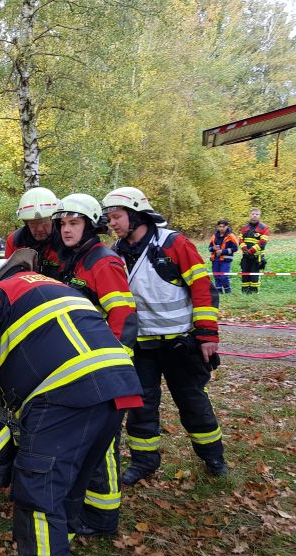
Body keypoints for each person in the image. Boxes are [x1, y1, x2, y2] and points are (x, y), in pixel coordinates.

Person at [0, 249, 142, 556]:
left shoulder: (0, 292)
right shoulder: (58, 287)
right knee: (73, 477)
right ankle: (81, 527)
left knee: (38, 494)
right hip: (118, 380)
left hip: (64, 392)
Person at [101, 186, 227, 485]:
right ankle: (144, 461)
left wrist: (207, 334)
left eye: (116, 217)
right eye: (109, 218)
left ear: (135, 215)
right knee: (141, 406)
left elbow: (202, 287)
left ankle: (213, 456)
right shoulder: (116, 252)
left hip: (179, 343)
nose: (112, 224)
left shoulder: (174, 244)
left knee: (192, 402)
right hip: (141, 345)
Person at [52, 193, 139, 537]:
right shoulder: (73, 260)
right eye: (62, 224)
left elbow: (123, 316)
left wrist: (112, 370)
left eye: (74, 223)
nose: (66, 230)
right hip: (80, 366)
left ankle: (103, 517)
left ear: (90, 225)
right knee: (86, 442)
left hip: (102, 370)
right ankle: (83, 502)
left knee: (103, 445)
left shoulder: (103, 261)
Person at [5, 187, 62, 279]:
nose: (39, 229)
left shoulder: (64, 241)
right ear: (26, 222)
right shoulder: (15, 241)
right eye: (33, 223)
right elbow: (7, 277)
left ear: (54, 220)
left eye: (45, 221)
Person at [239, 208, 269, 294]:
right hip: (245, 256)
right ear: (250, 215)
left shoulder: (264, 228)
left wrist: (251, 251)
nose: (254, 215)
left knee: (254, 277)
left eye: (256, 214)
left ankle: (254, 293)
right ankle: (244, 293)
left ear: (259, 216)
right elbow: (240, 240)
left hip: (257, 257)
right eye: (253, 214)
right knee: (244, 275)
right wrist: (245, 250)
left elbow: (262, 243)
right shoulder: (244, 228)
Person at [208, 219, 238, 294]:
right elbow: (209, 248)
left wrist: (222, 251)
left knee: (224, 277)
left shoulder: (231, 236)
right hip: (215, 259)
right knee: (216, 277)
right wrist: (213, 248)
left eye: (223, 227)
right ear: (217, 227)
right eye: (219, 226)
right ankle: (219, 292)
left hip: (226, 260)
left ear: (227, 226)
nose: (221, 228)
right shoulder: (214, 236)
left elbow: (235, 248)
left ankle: (228, 291)